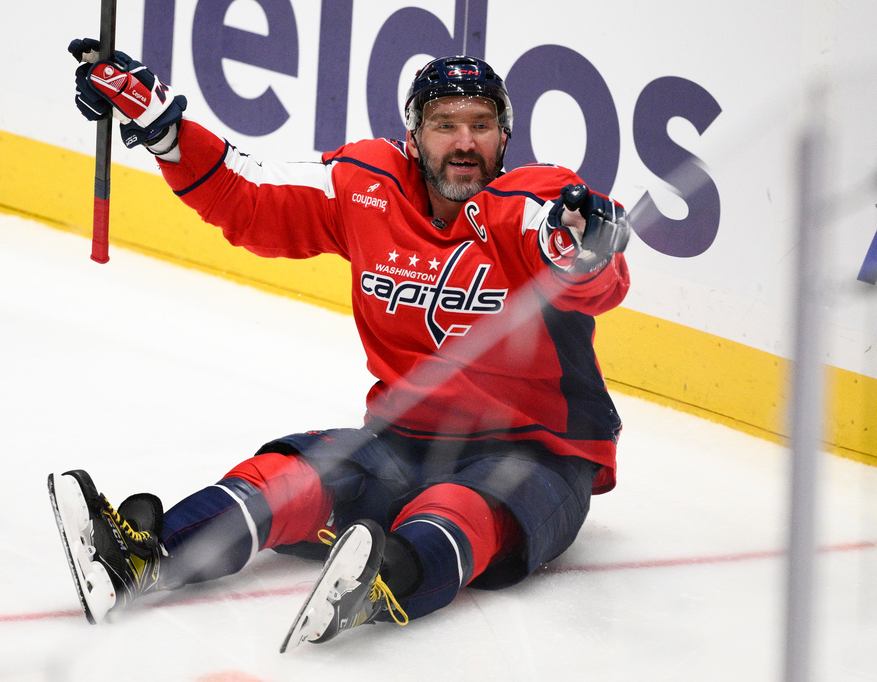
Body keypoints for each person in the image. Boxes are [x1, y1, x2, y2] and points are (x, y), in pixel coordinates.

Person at [48, 38, 631, 652]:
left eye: (481, 125)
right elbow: (248, 195)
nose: (464, 142)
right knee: (288, 475)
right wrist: (163, 129)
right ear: (413, 137)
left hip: (535, 453)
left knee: (457, 506)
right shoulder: (367, 185)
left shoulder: (533, 208)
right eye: (444, 124)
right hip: (405, 440)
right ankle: (146, 556)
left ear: (503, 140)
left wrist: (587, 254)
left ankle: (385, 581)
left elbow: (597, 279)